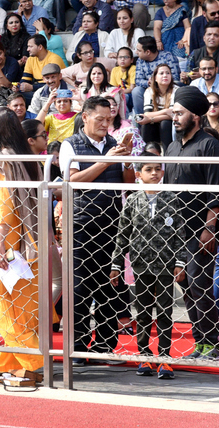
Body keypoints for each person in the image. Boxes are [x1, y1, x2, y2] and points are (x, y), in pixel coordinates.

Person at [59, 96, 134, 360]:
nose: (105, 124)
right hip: (81, 225)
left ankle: (104, 345)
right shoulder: (70, 145)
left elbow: (128, 183)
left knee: (108, 286)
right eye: (99, 119)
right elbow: (73, 181)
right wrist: (106, 161)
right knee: (78, 288)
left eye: (109, 119)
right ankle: (77, 347)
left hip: (112, 224)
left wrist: (125, 159)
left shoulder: (113, 144)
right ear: (85, 117)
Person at [0, 111, 44, 379]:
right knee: (20, 305)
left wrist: (0, 245)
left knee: (0, 303)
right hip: (24, 242)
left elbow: (4, 206)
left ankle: (31, 364)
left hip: (3, 241)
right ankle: (11, 362)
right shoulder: (23, 158)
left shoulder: (3, 161)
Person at [165, 86, 219, 361]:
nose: (175, 118)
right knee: (186, 287)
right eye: (173, 113)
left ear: (195, 115)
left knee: (199, 285)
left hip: (199, 229)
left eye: (179, 113)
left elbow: (216, 192)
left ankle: (211, 344)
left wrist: (209, 228)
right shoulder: (171, 146)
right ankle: (200, 341)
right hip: (173, 230)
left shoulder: (210, 145)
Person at [109, 153, 185, 378]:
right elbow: (122, 235)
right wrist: (116, 264)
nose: (154, 173)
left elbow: (179, 235)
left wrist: (179, 262)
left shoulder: (171, 199)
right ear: (138, 174)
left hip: (165, 265)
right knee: (141, 313)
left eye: (157, 169)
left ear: (163, 172)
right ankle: (144, 356)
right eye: (148, 169)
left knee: (164, 312)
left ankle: (164, 358)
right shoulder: (133, 201)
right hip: (140, 265)